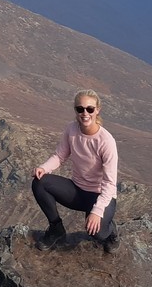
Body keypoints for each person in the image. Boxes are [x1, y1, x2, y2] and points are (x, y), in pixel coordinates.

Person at [31, 89, 119, 253]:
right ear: (75, 110)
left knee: (96, 232)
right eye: (80, 109)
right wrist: (44, 168)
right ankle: (56, 228)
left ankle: (110, 232)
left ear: (97, 110)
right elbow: (60, 155)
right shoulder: (71, 129)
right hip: (77, 190)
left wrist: (97, 211)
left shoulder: (106, 142)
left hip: (100, 195)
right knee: (39, 183)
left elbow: (109, 184)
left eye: (90, 109)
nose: (85, 113)